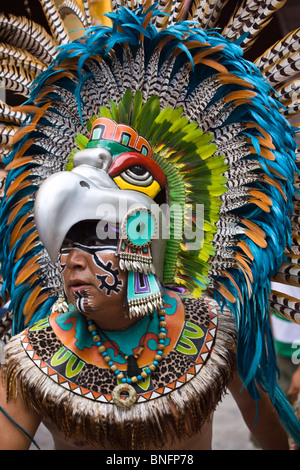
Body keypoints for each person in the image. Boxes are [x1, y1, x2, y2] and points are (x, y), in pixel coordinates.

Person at [0, 0, 300, 451]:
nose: (74, 261)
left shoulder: (215, 336)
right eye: (65, 243)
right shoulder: (31, 357)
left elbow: (277, 442)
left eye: (96, 236)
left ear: (147, 240)